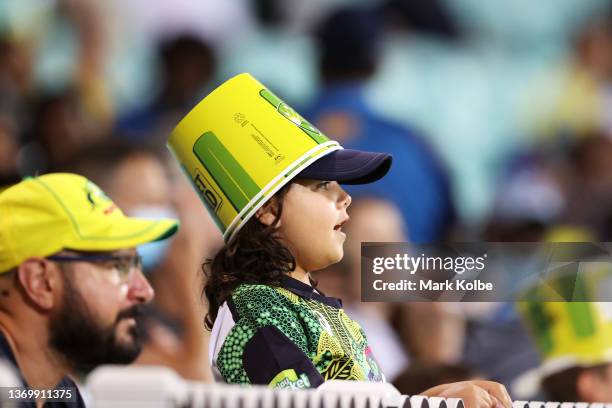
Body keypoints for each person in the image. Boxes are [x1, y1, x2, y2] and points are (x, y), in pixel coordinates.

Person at [168, 73, 512, 408]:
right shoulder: (258, 311)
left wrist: (437, 399)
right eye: (323, 185)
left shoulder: (314, 308)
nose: (345, 197)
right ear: (269, 210)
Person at [0, 173, 178, 407]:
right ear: (40, 281)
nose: (145, 291)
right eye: (119, 266)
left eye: (137, 264)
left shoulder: (59, 394)